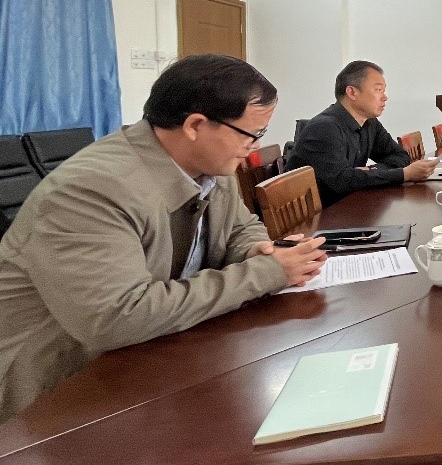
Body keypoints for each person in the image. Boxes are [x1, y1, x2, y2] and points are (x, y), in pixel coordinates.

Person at [0, 55, 328, 423]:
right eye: (250, 134)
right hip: (55, 394)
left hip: (152, 354)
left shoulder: (209, 165)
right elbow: (117, 317)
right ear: (195, 125)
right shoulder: (90, 190)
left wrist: (257, 250)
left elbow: (241, 226)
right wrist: (266, 273)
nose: (252, 148)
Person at [286, 60, 438, 207]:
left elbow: (400, 156)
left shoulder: (369, 123)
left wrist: (372, 170)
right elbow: (342, 181)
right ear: (352, 92)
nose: (385, 97)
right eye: (378, 90)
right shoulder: (324, 128)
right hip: (318, 216)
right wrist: (404, 174)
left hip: (347, 205)